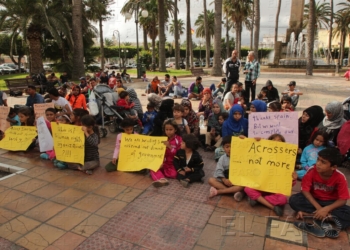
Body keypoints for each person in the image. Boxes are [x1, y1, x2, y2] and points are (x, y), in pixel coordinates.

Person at [290, 148, 350, 232]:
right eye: (318, 159)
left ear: (333, 167)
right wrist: (319, 208)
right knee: (294, 200)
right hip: (313, 200)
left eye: (323, 162)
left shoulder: (340, 177)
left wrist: (326, 209)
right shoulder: (311, 170)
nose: (318, 164)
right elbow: (305, 190)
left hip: (330, 202)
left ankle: (310, 215)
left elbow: (343, 200)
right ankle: (327, 218)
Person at [245, 134, 297, 216]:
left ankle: (258, 199)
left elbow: (288, 184)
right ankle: (272, 207)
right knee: (248, 188)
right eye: (273, 142)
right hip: (260, 187)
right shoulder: (262, 154)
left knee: (283, 200)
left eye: (279, 143)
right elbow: (249, 153)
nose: (276, 145)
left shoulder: (287, 160)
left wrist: (293, 179)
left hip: (274, 191)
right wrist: (255, 142)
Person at [208, 136, 245, 201]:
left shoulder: (241, 157)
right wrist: (224, 180)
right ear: (223, 148)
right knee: (211, 180)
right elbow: (218, 170)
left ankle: (218, 192)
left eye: (232, 146)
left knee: (242, 186)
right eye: (227, 147)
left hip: (237, 183)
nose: (230, 149)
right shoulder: (222, 158)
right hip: (226, 182)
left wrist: (244, 139)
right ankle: (234, 192)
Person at [151, 119, 182, 187]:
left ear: (175, 129)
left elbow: (180, 154)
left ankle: (162, 176)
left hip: (174, 163)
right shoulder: (162, 139)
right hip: (164, 163)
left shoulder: (179, 140)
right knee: (153, 167)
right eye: (166, 129)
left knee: (174, 174)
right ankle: (162, 180)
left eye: (171, 129)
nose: (168, 132)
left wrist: (170, 147)